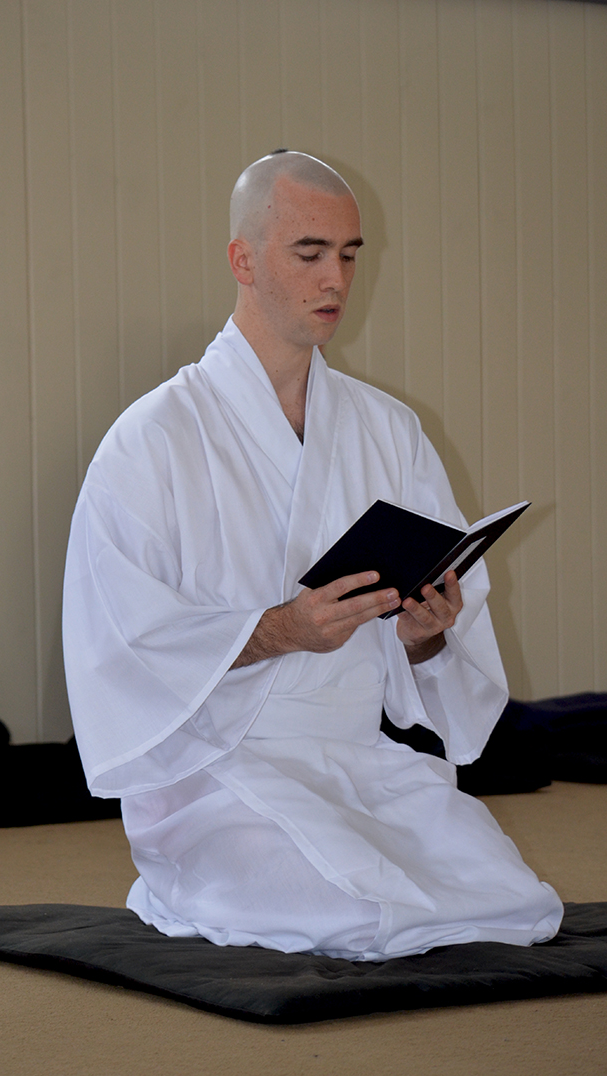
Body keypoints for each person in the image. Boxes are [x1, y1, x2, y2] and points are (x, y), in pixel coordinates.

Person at [63, 150, 563, 960]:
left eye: (350, 255)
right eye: (310, 253)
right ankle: (183, 878)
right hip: (217, 769)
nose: (336, 278)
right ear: (243, 260)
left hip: (355, 757)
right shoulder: (152, 439)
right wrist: (279, 630)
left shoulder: (388, 429)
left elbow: (437, 647)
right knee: (353, 917)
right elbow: (119, 643)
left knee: (516, 904)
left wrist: (425, 636)